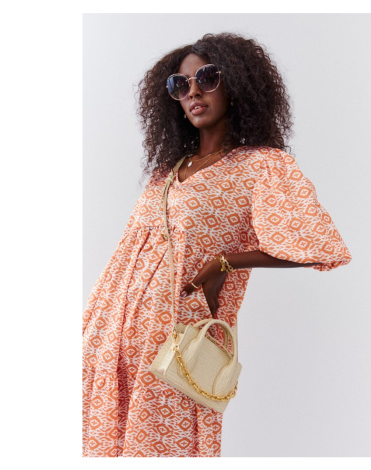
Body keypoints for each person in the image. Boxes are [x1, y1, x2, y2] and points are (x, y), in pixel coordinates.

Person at [82, 32, 352, 458]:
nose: (193, 92)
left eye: (206, 78)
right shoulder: (166, 172)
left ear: (237, 84)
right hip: (112, 332)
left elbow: (316, 244)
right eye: (180, 85)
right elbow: (130, 250)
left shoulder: (262, 166)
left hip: (178, 336)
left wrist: (225, 263)